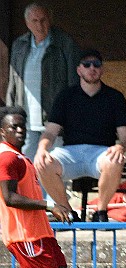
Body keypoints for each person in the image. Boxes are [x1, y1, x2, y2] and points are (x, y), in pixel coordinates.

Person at [0, 106, 97, 268]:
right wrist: (49, 205)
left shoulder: (20, 157)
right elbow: (10, 198)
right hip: (25, 237)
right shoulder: (7, 158)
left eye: (22, 126)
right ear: (2, 131)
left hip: (40, 233)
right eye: (13, 127)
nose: (20, 131)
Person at [33, 49, 126, 222]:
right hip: (70, 152)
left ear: (102, 70)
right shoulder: (65, 96)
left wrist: (120, 147)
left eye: (96, 64)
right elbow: (50, 131)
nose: (91, 68)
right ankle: (68, 211)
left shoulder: (115, 97)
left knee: (116, 159)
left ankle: (101, 212)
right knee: (41, 163)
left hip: (101, 153)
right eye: (86, 64)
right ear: (79, 70)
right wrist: (42, 149)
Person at [6, 2, 81, 160]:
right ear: (27, 23)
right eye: (35, 21)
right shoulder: (19, 45)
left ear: (50, 19)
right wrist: (10, 113)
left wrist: (69, 116)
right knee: (28, 167)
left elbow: (73, 83)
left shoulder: (65, 44)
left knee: (53, 168)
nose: (40, 25)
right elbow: (13, 82)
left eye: (43, 20)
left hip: (54, 122)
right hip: (26, 120)